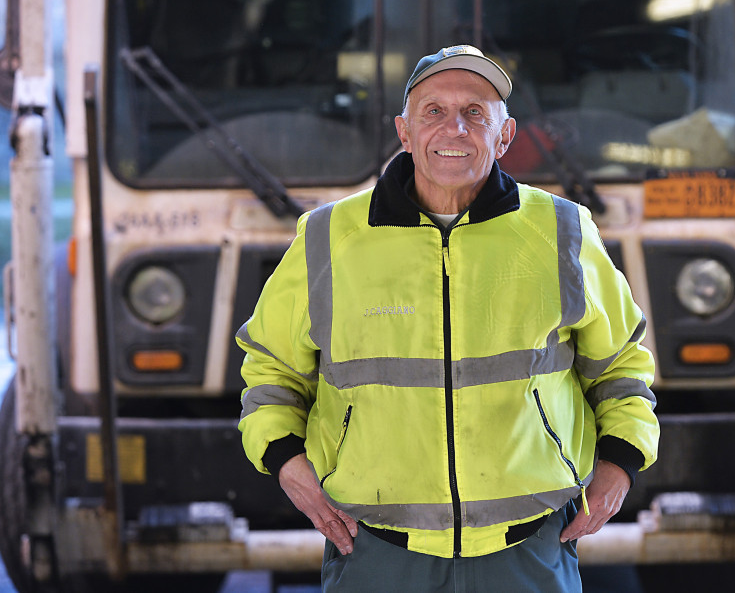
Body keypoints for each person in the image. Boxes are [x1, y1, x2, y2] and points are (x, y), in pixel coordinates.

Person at [236, 44, 660, 592]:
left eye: (475, 113)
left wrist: (621, 464)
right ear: (405, 132)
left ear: (504, 136)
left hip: (527, 551)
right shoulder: (329, 237)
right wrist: (286, 462)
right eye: (433, 111)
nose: (454, 128)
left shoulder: (563, 232)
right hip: (375, 553)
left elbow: (623, 364)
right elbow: (271, 370)